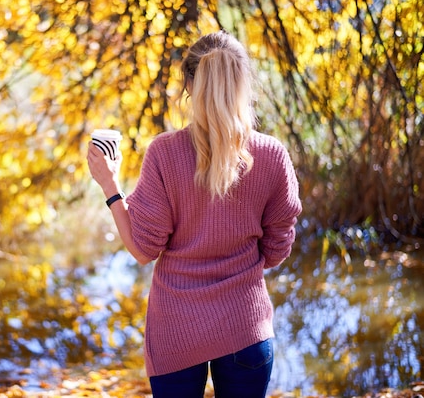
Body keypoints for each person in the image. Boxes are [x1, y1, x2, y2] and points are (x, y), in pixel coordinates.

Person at [87, 30, 302, 398]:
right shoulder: (272, 155)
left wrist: (110, 185)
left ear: (189, 85)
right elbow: (278, 248)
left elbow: (142, 250)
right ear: (242, 83)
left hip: (176, 333)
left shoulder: (164, 153)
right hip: (245, 326)